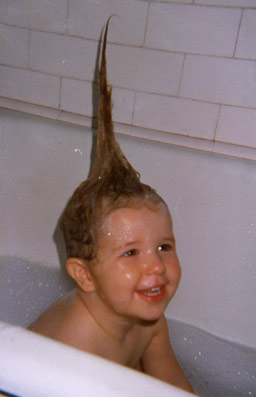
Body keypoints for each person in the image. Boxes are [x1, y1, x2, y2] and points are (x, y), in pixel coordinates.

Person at [29, 18, 194, 394]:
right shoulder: (72, 356)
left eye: (163, 247)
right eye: (131, 252)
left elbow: (176, 388)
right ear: (84, 275)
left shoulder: (148, 317)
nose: (156, 265)